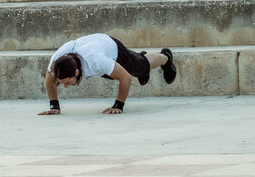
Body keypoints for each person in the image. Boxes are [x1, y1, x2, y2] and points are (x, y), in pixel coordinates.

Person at [38, 33, 177, 115]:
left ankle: (165, 57)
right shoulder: (56, 62)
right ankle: (141, 63)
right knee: (131, 69)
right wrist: (54, 106)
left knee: (140, 67)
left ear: (77, 72)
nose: (66, 87)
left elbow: (125, 78)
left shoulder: (97, 61)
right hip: (94, 46)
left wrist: (118, 106)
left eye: (68, 82)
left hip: (112, 49)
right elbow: (50, 78)